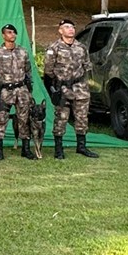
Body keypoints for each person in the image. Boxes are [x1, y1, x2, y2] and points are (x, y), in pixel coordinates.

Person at [44, 18, 98, 160]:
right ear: (60, 30)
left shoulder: (81, 47)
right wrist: (56, 86)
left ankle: (81, 146)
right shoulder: (54, 48)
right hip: (63, 88)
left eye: (72, 27)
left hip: (80, 87)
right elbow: (48, 71)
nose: (71, 29)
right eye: (67, 27)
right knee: (61, 119)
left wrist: (86, 82)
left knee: (82, 118)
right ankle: (59, 149)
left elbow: (87, 66)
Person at [0, 23, 34, 161]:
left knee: (24, 120)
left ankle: (26, 149)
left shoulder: (23, 51)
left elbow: (28, 72)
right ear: (3, 35)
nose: (11, 35)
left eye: (13, 32)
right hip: (5, 91)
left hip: (22, 90)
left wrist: (29, 91)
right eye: (8, 32)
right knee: (1, 119)